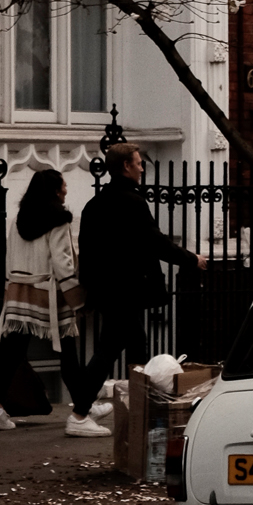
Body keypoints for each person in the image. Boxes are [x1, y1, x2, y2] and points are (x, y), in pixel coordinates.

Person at [64, 140, 201, 438]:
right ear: (126, 166)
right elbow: (155, 241)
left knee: (138, 346)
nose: (142, 168)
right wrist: (191, 260)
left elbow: (85, 250)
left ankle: (141, 409)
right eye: (139, 163)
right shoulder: (132, 202)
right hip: (126, 289)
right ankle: (79, 413)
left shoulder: (95, 204)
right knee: (109, 349)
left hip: (107, 289)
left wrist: (89, 288)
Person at [0, 169, 105, 432]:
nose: (66, 190)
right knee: (68, 354)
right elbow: (62, 264)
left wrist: (9, 289)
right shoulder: (59, 221)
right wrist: (79, 300)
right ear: (54, 190)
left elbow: (7, 256)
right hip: (49, 295)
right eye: (63, 185)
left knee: (11, 353)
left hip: (19, 292)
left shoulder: (18, 219)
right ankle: (84, 409)